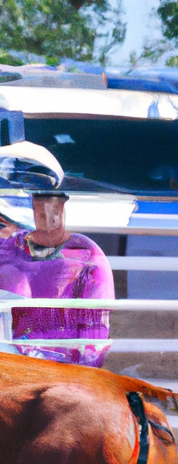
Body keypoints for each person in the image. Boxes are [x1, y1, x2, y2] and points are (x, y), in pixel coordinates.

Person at [0, 143, 114, 367]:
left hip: (61, 367)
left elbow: (95, 335)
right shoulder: (9, 249)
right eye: (38, 205)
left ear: (63, 207)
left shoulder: (87, 256)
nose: (45, 214)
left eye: (52, 205)